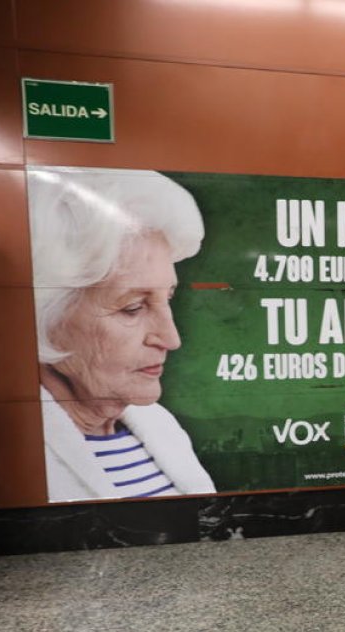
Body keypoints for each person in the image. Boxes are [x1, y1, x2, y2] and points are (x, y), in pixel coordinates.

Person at [28, 167, 216, 502]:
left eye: (168, 298)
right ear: (46, 316)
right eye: (133, 308)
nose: (171, 339)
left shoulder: (159, 425)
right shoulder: (17, 451)